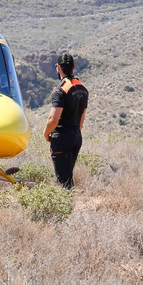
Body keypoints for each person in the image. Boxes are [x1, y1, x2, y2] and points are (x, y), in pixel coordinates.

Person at [43, 53, 89, 189]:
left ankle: (67, 208)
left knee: (63, 182)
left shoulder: (60, 89)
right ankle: (70, 206)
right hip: (76, 136)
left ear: (58, 67)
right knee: (68, 178)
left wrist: (46, 133)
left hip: (62, 137)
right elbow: (82, 118)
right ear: (74, 67)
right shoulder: (83, 88)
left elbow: (53, 118)